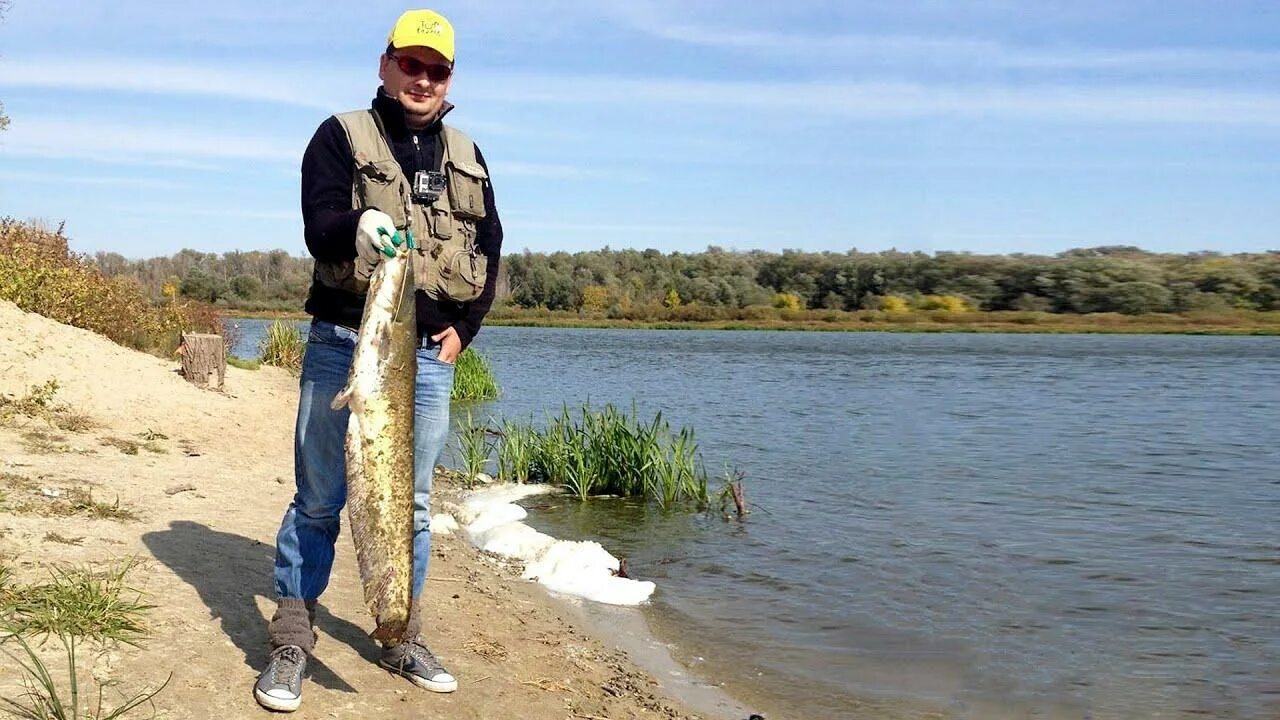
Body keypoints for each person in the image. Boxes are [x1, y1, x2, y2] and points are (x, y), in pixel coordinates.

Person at [254, 9, 502, 712]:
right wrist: (354, 230)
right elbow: (318, 225)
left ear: (449, 78)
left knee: (412, 507)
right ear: (385, 65)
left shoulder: (467, 151)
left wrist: (467, 328)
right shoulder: (339, 136)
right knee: (321, 500)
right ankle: (292, 641)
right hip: (344, 346)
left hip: (427, 359)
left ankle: (399, 634)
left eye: (437, 69)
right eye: (411, 64)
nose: (422, 79)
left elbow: (490, 246)